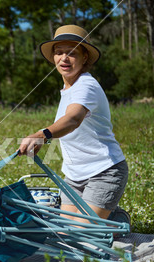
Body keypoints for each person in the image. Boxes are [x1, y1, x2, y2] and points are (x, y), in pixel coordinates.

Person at [18, 25, 130, 226]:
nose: (64, 58)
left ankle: (114, 220)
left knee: (81, 234)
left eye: (72, 53)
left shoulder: (86, 85)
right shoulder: (67, 90)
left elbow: (73, 119)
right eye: (59, 53)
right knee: (63, 235)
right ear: (53, 57)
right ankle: (107, 216)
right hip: (74, 177)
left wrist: (42, 135)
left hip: (104, 172)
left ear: (84, 57)